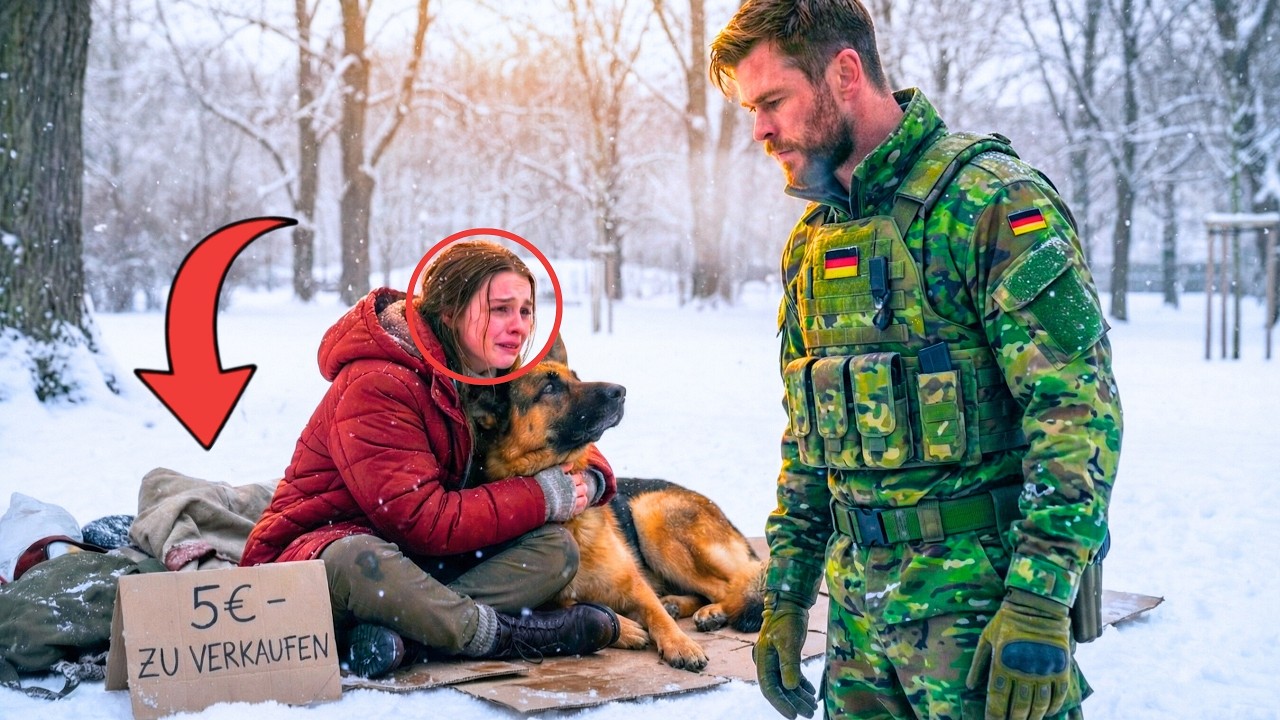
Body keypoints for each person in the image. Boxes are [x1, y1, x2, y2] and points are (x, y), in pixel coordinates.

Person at [709, 2, 1122, 719]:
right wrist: (788, 591)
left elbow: (1075, 408)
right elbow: (811, 440)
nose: (760, 130)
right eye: (753, 108)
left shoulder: (992, 201)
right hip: (859, 636)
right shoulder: (813, 242)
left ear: (844, 73)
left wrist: (1039, 597)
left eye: (773, 101)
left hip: (983, 625)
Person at [240, 239, 621, 678]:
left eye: (525, 310)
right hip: (325, 555)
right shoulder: (377, 383)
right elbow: (422, 522)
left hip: (420, 565)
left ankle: (406, 637)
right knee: (360, 559)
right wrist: (541, 495)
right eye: (500, 309)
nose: (517, 326)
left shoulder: (492, 370)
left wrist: (587, 481)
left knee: (555, 549)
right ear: (450, 313)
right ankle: (505, 636)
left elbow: (562, 436)